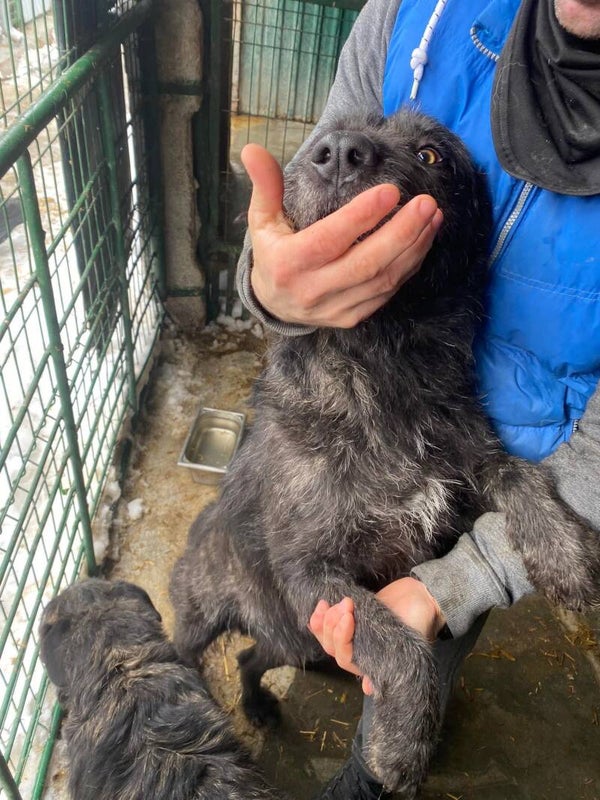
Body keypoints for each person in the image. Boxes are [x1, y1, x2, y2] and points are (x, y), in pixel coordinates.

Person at [235, 0, 600, 797]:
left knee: (422, 665)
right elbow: (286, 219)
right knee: (320, 624)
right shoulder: (411, 15)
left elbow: (491, 468)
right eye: (342, 149)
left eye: (428, 156)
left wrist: (470, 577)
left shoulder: (460, 402)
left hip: (509, 447)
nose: (346, 152)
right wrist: (268, 285)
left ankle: (371, 780)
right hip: (355, 400)